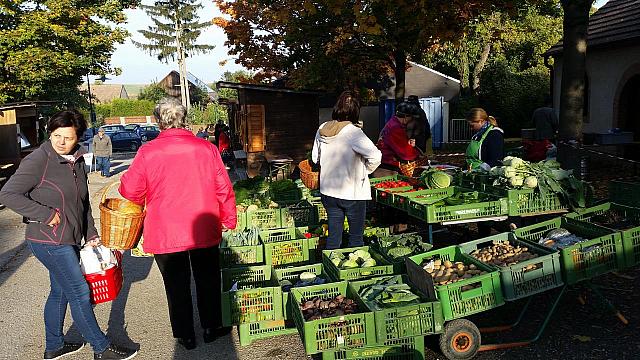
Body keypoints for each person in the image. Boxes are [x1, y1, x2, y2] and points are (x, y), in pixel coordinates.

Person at [0, 110, 138, 360]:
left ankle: (54, 346)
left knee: (60, 291)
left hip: (71, 237)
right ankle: (101, 348)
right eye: (56, 136)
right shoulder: (39, 159)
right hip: (48, 239)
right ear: (49, 133)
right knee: (79, 291)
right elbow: (8, 194)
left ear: (79, 138)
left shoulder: (77, 160)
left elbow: (81, 202)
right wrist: (44, 214)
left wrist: (91, 232)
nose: (61, 142)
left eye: (68, 137)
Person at [119, 98, 236, 350]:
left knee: (176, 284)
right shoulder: (206, 149)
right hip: (202, 225)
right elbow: (223, 188)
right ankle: (211, 326)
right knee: (207, 278)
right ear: (184, 119)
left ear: (159, 121)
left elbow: (130, 191)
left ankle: (186, 334)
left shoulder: (148, 152)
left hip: (165, 231)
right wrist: (228, 218)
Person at [311, 91, 381, 250]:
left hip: (328, 192)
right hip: (352, 193)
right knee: (356, 239)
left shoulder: (322, 128)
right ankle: (353, 273)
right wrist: (365, 171)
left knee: (334, 237)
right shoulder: (353, 132)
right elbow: (376, 156)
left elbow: (315, 158)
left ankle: (331, 269)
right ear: (356, 111)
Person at [374, 102, 421, 177]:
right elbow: (406, 154)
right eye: (411, 118)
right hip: (387, 169)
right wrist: (417, 155)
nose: (412, 120)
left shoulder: (393, 122)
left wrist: (409, 144)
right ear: (406, 116)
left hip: (385, 165)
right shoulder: (395, 128)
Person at [526, 96, 559, 161]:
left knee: (539, 150)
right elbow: (555, 123)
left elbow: (533, 122)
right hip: (549, 135)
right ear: (550, 104)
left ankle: (539, 161)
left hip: (538, 135)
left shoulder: (536, 111)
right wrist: (556, 131)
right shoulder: (551, 111)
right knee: (549, 151)